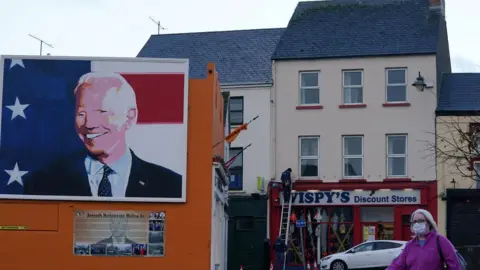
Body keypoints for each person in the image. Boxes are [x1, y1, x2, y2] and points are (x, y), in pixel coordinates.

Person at [24, 72, 182, 198]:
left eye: (102, 112)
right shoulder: (42, 183)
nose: (90, 124)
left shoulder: (171, 185)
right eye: (81, 113)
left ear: (130, 117)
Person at [387, 209, 461, 270]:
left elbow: (454, 264)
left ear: (429, 223)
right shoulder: (410, 245)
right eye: (414, 222)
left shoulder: (440, 240)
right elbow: (398, 265)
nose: (417, 224)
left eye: (421, 221)